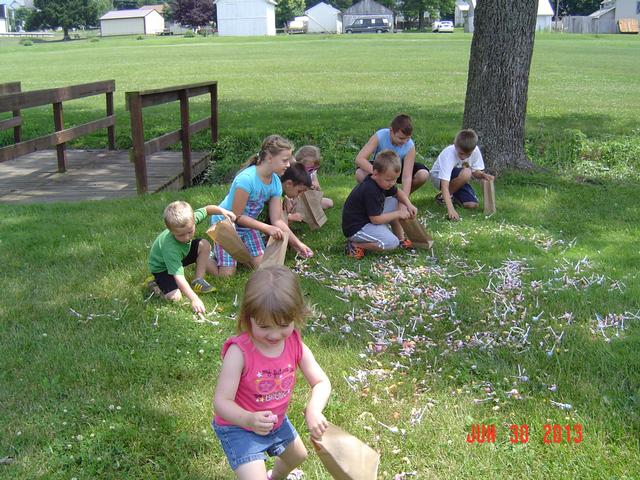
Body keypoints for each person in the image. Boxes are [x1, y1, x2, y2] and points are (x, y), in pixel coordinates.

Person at [213, 266, 331, 480]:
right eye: (264, 326)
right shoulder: (239, 352)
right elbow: (221, 402)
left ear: (297, 315)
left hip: (275, 422)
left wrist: (313, 409)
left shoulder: (295, 344)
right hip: (239, 426)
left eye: (284, 325)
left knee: (298, 456)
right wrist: (248, 419)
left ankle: (274, 477)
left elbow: (321, 381)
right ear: (248, 318)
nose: (275, 334)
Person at [211, 135, 314, 276]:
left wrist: (297, 244)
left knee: (264, 268)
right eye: (284, 160)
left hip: (248, 227)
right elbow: (237, 217)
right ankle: (205, 259)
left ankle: (237, 253)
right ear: (270, 158)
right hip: (225, 225)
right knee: (226, 275)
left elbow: (277, 220)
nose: (288, 165)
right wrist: (267, 228)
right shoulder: (246, 179)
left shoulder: (276, 182)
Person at [148, 201, 235, 313]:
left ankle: (198, 280)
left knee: (204, 244)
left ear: (194, 222)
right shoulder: (170, 248)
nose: (186, 237)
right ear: (170, 230)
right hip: (162, 268)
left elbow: (207, 209)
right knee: (175, 298)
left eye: (190, 232)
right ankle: (155, 286)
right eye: (180, 235)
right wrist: (194, 299)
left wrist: (223, 211)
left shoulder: (189, 219)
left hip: (181, 255)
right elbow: (179, 276)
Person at [342, 149, 418, 259]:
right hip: (356, 228)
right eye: (389, 180)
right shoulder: (370, 190)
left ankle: (400, 239)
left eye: (395, 179)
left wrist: (409, 204)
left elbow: (397, 192)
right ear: (375, 173)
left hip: (367, 219)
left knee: (395, 201)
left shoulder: (381, 182)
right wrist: (398, 213)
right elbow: (376, 220)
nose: (392, 183)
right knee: (391, 243)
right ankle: (355, 245)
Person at [354, 114, 429, 196]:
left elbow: (406, 177)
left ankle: (398, 196)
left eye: (408, 138)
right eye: (401, 138)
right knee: (360, 173)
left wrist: (404, 202)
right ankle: (378, 195)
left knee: (423, 174)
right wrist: (378, 174)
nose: (404, 142)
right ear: (391, 131)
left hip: (398, 168)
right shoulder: (380, 135)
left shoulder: (410, 145)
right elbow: (359, 159)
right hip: (381, 166)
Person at [429, 129, 495, 221]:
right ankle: (444, 198)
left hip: (460, 178)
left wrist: (483, 175)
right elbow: (444, 185)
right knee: (467, 172)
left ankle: (452, 196)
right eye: (461, 153)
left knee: (471, 205)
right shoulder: (449, 155)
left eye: (468, 155)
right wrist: (451, 209)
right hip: (439, 178)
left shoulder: (475, 150)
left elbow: (475, 172)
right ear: (455, 146)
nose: (463, 157)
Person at [294, 145, 334, 209]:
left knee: (329, 202)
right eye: (307, 168)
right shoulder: (294, 172)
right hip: (296, 199)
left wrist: (315, 187)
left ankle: (309, 209)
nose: (309, 171)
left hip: (309, 199)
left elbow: (318, 190)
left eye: (312, 168)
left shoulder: (312, 173)